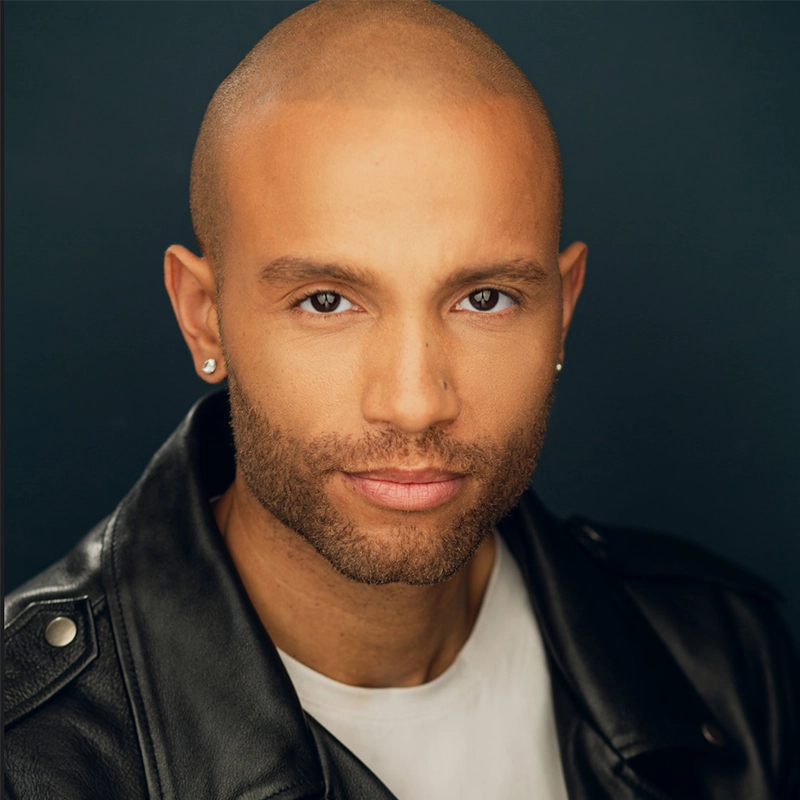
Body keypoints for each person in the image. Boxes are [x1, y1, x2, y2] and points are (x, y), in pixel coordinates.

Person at [4, 1, 798, 798]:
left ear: (563, 309)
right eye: (326, 301)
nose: (415, 403)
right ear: (203, 315)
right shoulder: (30, 749)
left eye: (484, 299)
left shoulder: (721, 652)